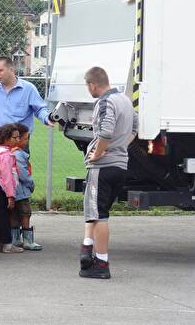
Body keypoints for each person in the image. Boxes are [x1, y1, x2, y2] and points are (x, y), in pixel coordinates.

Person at [79, 67, 138, 279]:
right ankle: (87, 248)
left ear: (93, 84)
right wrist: (120, 146)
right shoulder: (125, 100)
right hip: (120, 165)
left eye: (88, 86)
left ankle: (101, 263)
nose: (89, 90)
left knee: (99, 215)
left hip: (103, 167)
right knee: (98, 211)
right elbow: (134, 129)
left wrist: (99, 152)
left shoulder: (105, 102)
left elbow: (105, 130)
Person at [0, 124, 24, 253]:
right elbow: (7, 176)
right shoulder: (6, 155)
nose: (17, 140)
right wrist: (10, 195)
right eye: (15, 137)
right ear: (6, 138)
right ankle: (7, 244)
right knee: (4, 217)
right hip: (2, 188)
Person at [11, 123, 42, 251]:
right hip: (21, 191)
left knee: (13, 214)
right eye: (25, 138)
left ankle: (15, 239)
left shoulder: (11, 152)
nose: (27, 141)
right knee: (25, 213)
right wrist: (31, 184)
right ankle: (28, 240)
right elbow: (22, 173)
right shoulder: (18, 154)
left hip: (12, 191)